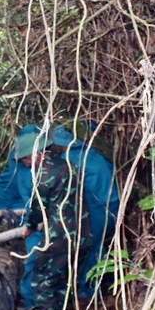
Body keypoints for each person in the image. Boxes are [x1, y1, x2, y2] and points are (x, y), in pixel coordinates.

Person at [18, 132, 92, 310]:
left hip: (59, 237)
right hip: (83, 234)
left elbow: (36, 207)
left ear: (39, 154)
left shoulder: (43, 175)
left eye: (26, 159)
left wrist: (30, 227)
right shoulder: (71, 167)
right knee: (66, 275)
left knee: (41, 277)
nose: (26, 164)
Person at [0, 124, 42, 309]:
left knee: (30, 239)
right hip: (2, 193)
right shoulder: (19, 152)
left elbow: (30, 191)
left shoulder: (38, 160)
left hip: (22, 200)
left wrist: (32, 219)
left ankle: (30, 296)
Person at [51, 125, 120, 297]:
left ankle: (89, 289)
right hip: (114, 204)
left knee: (89, 246)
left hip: (97, 208)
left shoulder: (69, 159)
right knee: (98, 243)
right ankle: (105, 278)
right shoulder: (94, 153)